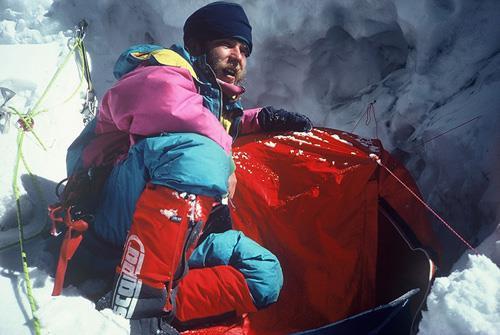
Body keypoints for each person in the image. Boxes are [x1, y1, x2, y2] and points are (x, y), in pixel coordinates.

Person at [59, 2, 312, 334]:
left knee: (265, 273)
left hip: (179, 233)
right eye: (227, 43)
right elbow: (167, 105)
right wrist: (224, 156)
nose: (237, 55)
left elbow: (209, 119)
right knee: (199, 153)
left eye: (244, 49)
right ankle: (139, 307)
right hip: (111, 215)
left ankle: (146, 299)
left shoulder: (210, 104)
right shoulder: (160, 71)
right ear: (197, 46)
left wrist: (259, 118)